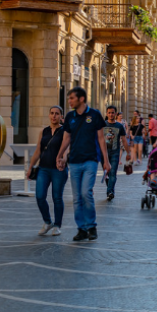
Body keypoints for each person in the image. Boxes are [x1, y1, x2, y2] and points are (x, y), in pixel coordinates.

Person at [56, 87, 110, 242]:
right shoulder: (70, 117)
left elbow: (101, 139)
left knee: (86, 192)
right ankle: (82, 229)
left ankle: (91, 226)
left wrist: (105, 161)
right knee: (77, 197)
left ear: (81, 99)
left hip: (90, 160)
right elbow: (66, 139)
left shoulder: (94, 115)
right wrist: (59, 156)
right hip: (74, 162)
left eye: (72, 98)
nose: (69, 101)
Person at [27, 106, 66, 236]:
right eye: (52, 113)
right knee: (39, 196)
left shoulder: (65, 131)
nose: (54, 116)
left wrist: (64, 159)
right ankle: (47, 221)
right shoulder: (43, 131)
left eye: (57, 114)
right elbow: (38, 150)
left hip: (58, 170)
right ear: (49, 115)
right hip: (43, 168)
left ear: (61, 116)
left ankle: (57, 225)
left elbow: (67, 149)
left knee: (57, 197)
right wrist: (31, 166)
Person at [103, 105, 131, 201]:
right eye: (109, 112)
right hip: (104, 153)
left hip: (115, 152)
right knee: (107, 173)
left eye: (112, 112)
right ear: (107, 113)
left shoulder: (119, 126)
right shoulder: (103, 124)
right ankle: (110, 189)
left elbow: (124, 140)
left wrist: (128, 152)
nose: (111, 114)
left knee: (113, 173)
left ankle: (110, 192)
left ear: (115, 114)